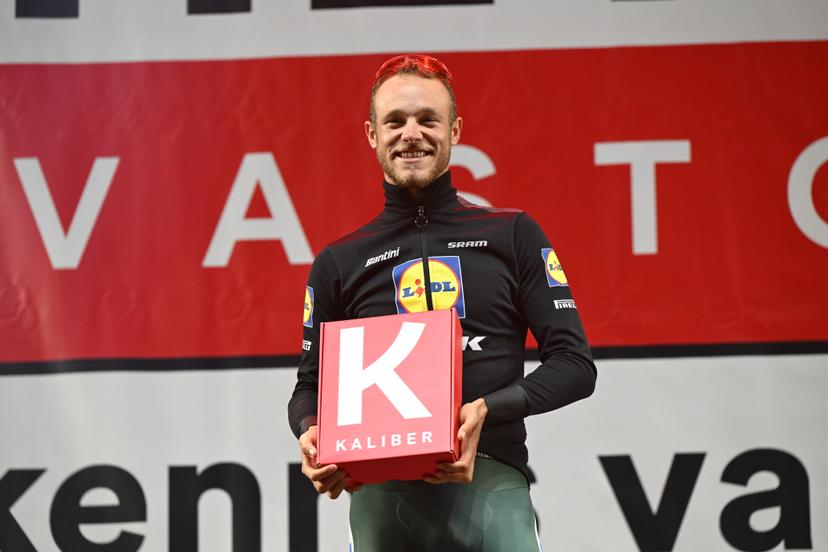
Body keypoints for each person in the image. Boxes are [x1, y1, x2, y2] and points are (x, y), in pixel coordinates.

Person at [288, 54, 597, 551]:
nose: (411, 133)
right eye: (395, 120)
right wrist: (311, 432)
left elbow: (576, 365)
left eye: (427, 119)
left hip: (491, 482)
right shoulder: (339, 262)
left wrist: (483, 412)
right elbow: (309, 387)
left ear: (454, 130)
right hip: (381, 494)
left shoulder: (511, 233)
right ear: (372, 134)